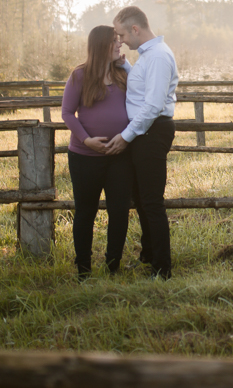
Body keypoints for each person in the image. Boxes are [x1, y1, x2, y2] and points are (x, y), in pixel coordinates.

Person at [106, 6, 178, 280]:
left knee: (151, 201)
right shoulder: (149, 57)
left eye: (122, 34)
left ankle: (162, 269)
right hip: (144, 132)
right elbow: (144, 85)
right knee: (141, 199)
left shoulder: (158, 57)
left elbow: (152, 105)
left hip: (151, 131)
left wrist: (125, 137)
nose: (121, 40)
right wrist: (126, 66)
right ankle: (149, 256)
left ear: (135, 29)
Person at [61, 25, 131, 281]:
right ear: (101, 45)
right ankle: (83, 269)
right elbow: (67, 113)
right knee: (85, 212)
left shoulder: (123, 74)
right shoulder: (79, 76)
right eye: (114, 41)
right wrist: (87, 140)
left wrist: (124, 140)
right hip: (84, 156)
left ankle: (113, 265)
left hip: (119, 156)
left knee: (119, 210)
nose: (119, 44)